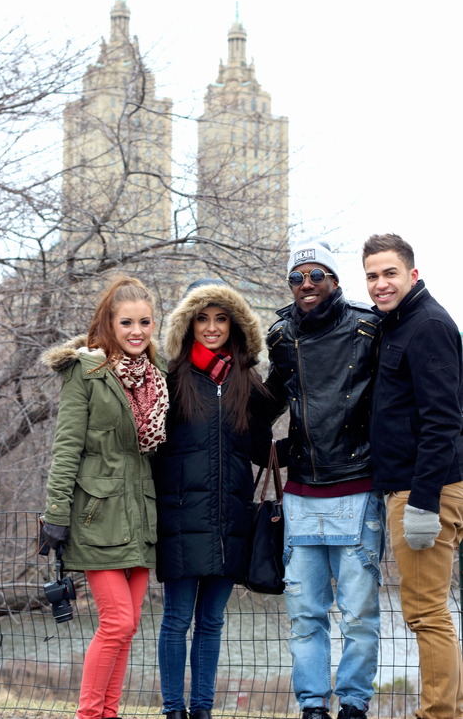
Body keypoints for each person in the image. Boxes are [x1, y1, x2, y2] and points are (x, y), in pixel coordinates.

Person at [264, 238, 385, 719]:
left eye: (316, 275)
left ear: (334, 280)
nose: (306, 284)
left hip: (358, 484)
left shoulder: (370, 328)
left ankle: (354, 704)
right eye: (297, 277)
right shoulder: (280, 337)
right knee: (304, 616)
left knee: (359, 616)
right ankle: (312, 704)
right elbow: (271, 399)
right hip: (301, 491)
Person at [41, 275, 169, 719]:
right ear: (109, 325)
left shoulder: (158, 377)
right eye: (127, 323)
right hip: (97, 517)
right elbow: (66, 448)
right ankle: (89, 715)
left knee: (127, 628)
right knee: (117, 623)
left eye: (145, 322)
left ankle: (108, 714)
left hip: (139, 517)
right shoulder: (86, 372)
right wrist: (55, 514)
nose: (137, 331)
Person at [153, 279, 272, 719]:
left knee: (212, 622)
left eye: (221, 318)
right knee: (177, 620)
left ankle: (201, 708)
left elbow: (260, 449)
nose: (211, 327)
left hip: (230, 519)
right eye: (202, 318)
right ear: (187, 324)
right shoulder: (171, 381)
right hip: (182, 520)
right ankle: (173, 709)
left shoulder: (246, 382)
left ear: (235, 325)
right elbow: (151, 449)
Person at [362, 233, 463, 719]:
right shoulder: (395, 325)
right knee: (433, 612)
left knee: (427, 613)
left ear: (412, 274)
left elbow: (444, 419)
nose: (380, 284)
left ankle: (438, 714)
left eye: (389, 273)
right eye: (372, 276)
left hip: (427, 490)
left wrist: (423, 501)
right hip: (410, 485)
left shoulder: (427, 326)